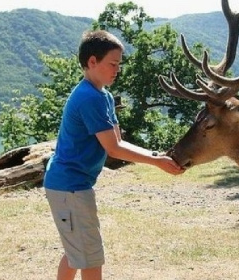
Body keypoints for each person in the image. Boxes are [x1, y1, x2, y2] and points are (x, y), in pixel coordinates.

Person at [43, 30, 184, 280]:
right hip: (71, 188)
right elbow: (113, 149)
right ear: (92, 62)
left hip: (68, 185)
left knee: (77, 252)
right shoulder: (89, 98)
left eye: (119, 64)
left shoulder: (103, 95)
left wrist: (156, 155)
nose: (117, 69)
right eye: (113, 64)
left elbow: (118, 140)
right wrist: (157, 162)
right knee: (90, 258)